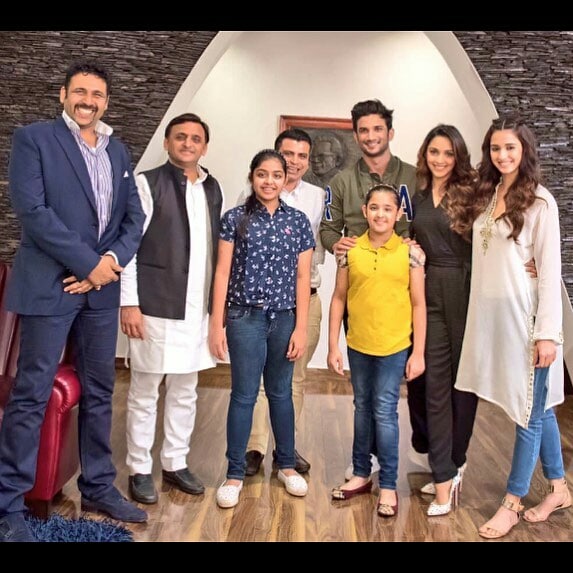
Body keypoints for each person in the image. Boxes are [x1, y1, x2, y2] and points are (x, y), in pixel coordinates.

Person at [0, 61, 146, 542]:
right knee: (32, 394)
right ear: (63, 94)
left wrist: (108, 263)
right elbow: (33, 212)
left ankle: (98, 486)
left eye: (97, 94)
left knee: (101, 391)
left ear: (106, 101)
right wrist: (89, 265)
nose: (88, 101)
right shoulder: (34, 139)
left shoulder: (117, 150)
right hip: (50, 286)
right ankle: (8, 503)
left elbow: (133, 218)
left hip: (100, 292)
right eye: (80, 92)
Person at [455, 115, 570, 538]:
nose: (502, 155)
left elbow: (550, 271)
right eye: (495, 148)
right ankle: (559, 489)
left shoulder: (540, 201)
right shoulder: (488, 194)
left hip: (528, 322)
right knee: (536, 407)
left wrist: (547, 335)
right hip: (494, 321)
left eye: (510, 148)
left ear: (525, 151)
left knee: (528, 413)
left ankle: (512, 501)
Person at [319, 98, 428, 476]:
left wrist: (417, 246)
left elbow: (430, 221)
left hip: (403, 285)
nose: (370, 136)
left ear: (390, 133)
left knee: (399, 386)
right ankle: (364, 463)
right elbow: (328, 228)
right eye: (363, 130)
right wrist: (339, 245)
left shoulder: (415, 177)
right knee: (365, 395)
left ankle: (410, 455)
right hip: (362, 286)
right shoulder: (341, 182)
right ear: (355, 136)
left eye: (377, 129)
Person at [120, 113, 223, 504]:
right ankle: (138, 468)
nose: (188, 143)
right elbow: (129, 247)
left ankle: (175, 462)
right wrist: (129, 303)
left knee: (185, 390)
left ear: (205, 147)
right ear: (167, 143)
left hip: (196, 309)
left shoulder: (212, 187)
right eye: (180, 137)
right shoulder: (147, 183)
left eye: (196, 138)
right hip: (154, 305)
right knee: (144, 390)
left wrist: (216, 312)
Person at [209, 149, 315, 508]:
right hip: (244, 317)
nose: (269, 181)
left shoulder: (298, 222)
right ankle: (234, 474)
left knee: (281, 393)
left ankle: (286, 465)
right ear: (252, 177)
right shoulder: (235, 219)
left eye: (276, 175)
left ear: (285, 180)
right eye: (262, 174)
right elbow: (222, 272)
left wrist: (301, 328)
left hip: (284, 319)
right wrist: (217, 323)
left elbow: (303, 277)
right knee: (243, 394)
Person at [328, 183, 426, 517]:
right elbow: (339, 298)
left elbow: (418, 304)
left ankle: (388, 484)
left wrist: (418, 352)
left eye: (387, 208)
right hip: (358, 344)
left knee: (384, 411)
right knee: (361, 407)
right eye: (374, 208)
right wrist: (333, 346)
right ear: (364, 211)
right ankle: (360, 473)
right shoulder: (349, 252)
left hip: (394, 347)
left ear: (398, 213)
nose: (380, 214)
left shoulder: (410, 254)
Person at [238, 129, 325, 476]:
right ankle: (255, 447)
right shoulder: (251, 193)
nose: (295, 162)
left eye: (302, 156)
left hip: (305, 299)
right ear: (276, 153)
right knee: (260, 380)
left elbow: (323, 242)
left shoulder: (318, 197)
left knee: (295, 379)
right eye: (288, 154)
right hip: (261, 304)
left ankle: (286, 449)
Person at [410, 125, 478, 515]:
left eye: (448, 153)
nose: (440, 159)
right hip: (427, 291)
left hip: (465, 291)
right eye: (434, 152)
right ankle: (442, 473)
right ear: (425, 154)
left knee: (462, 386)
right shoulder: (419, 195)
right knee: (434, 385)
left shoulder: (471, 194)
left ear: (458, 157)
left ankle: (456, 462)